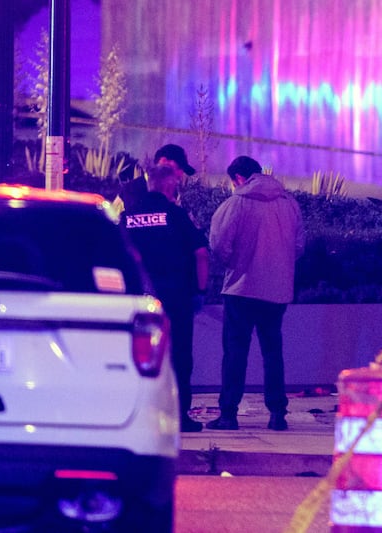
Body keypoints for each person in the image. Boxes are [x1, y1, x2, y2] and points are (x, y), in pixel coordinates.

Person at [206, 156, 305, 431]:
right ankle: (277, 414)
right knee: (273, 351)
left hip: (241, 288)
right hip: (277, 290)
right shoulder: (289, 203)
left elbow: (219, 243)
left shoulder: (236, 203)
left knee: (235, 352)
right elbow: (299, 246)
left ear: (238, 178)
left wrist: (235, 264)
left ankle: (228, 414)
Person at [121, 164, 210, 433]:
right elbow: (201, 254)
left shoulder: (128, 216)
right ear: (169, 185)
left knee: (139, 357)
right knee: (179, 356)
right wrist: (200, 291)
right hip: (176, 296)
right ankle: (180, 416)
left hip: (138, 299)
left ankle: (139, 415)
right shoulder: (176, 215)